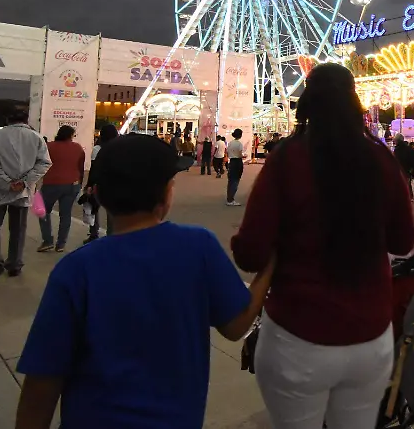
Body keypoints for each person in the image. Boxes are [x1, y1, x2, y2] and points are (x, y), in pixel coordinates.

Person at [14, 134, 274, 429]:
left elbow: (42, 381)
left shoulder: (75, 270)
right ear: (166, 194)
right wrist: (270, 268)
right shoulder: (198, 247)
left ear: (98, 194)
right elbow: (237, 325)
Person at [231, 63, 414, 428]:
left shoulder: (287, 158)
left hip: (299, 336)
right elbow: (404, 240)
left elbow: (249, 253)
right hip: (371, 337)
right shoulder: (379, 157)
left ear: (307, 104)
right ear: (355, 103)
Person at [0, 109, 52, 286]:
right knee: (18, 229)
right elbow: (44, 163)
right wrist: (24, 182)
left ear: (7, 119)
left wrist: (7, 182)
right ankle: (14, 264)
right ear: (26, 120)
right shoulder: (36, 138)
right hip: (21, 192)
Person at [37, 125, 86, 253]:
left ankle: (48, 240)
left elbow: (41, 163)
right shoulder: (78, 148)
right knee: (66, 214)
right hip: (72, 184)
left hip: (52, 184)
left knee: (42, 211)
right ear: (70, 135)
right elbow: (81, 167)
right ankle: (61, 244)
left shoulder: (49, 147)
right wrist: (79, 184)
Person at [84, 125, 119, 243]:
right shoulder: (119, 147)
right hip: (114, 183)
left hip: (99, 183)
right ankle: (111, 236)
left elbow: (94, 169)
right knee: (111, 212)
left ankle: (94, 234)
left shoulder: (97, 148)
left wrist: (89, 184)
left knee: (94, 209)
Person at [226, 128, 246, 206]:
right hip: (237, 162)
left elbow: (228, 152)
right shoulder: (239, 144)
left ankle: (229, 198)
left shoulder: (230, 143)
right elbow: (240, 155)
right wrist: (244, 156)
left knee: (230, 180)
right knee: (236, 181)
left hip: (231, 162)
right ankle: (231, 200)